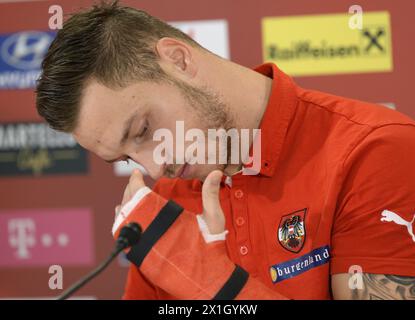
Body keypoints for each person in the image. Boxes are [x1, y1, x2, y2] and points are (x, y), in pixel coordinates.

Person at [35, 1, 415, 300]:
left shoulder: (374, 150)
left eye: (143, 129)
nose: (155, 167)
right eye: (127, 158)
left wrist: (210, 282)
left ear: (179, 61)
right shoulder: (169, 199)